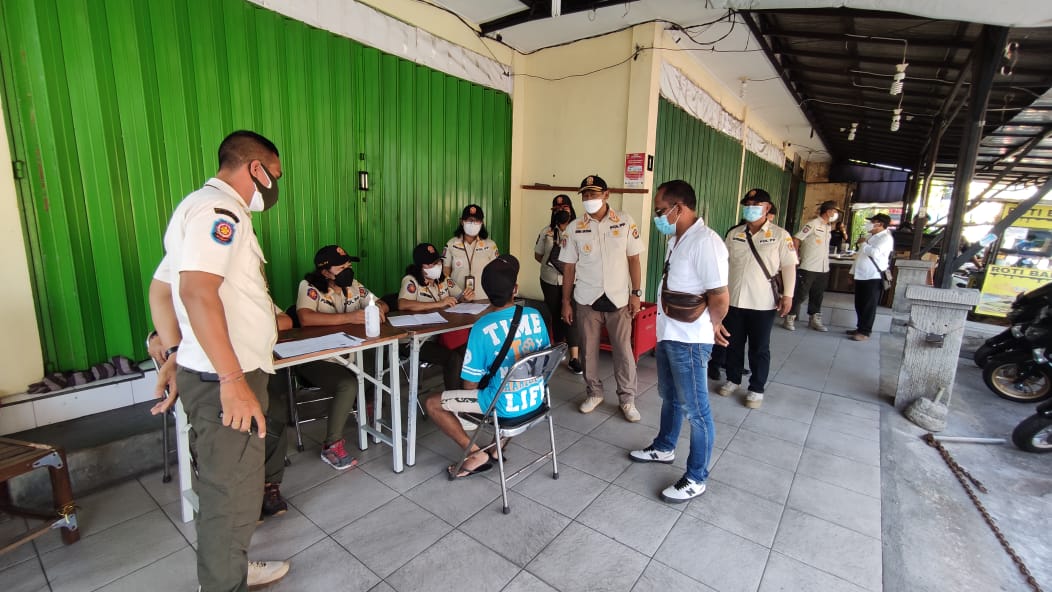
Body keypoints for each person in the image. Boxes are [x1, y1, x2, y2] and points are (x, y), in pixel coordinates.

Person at [153, 130, 290, 591]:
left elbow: (161, 290)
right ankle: (222, 583)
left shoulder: (192, 207)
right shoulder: (221, 210)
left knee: (234, 487)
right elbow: (193, 291)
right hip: (225, 377)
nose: (273, 186)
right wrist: (232, 379)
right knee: (231, 494)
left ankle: (231, 567)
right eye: (273, 175)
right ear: (255, 167)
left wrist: (174, 353)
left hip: (214, 369)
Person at [147, 269, 293, 523]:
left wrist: (253, 325)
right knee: (227, 437)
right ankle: (234, 507)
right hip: (214, 385)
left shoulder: (246, 290)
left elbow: (285, 321)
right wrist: (163, 341)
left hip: (250, 374)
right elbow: (164, 330)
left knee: (276, 412)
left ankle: (268, 484)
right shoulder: (197, 287)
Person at [629, 180, 729, 503]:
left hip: (690, 340)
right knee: (670, 396)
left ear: (679, 209)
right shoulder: (678, 239)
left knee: (697, 410)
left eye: (660, 210)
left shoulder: (706, 243)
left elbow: (720, 296)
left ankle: (697, 477)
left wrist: (712, 325)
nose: (658, 217)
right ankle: (664, 447)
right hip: (670, 334)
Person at [423, 255, 551, 478]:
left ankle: (475, 454)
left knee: (433, 403)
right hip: (535, 398)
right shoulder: (535, 315)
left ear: (486, 291)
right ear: (515, 289)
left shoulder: (482, 327)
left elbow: (470, 385)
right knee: (508, 385)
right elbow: (545, 361)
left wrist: (468, 401)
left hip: (505, 405)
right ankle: (496, 447)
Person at [559, 174, 645, 422]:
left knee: (623, 351)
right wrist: (566, 301)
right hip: (586, 298)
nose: (589, 199)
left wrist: (636, 294)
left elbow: (634, 260)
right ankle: (594, 392)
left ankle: (627, 399)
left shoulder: (625, 221)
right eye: (585, 195)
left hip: (619, 299)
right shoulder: (575, 227)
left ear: (606, 195)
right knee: (588, 351)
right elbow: (569, 269)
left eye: (594, 194)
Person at [295, 244, 389, 469]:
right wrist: (350, 318)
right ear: (325, 272)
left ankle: (364, 405)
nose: (348, 269)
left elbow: (380, 303)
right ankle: (331, 446)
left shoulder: (353, 286)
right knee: (347, 384)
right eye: (341, 266)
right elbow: (305, 318)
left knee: (380, 358)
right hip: (317, 357)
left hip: (349, 352)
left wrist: (376, 311)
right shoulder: (309, 286)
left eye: (349, 264)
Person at [718, 188, 796, 409]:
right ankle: (733, 379)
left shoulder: (780, 235)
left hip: (763, 303)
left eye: (756, 204)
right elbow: (724, 264)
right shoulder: (734, 234)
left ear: (767, 207)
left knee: (759, 347)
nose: (750, 208)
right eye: (748, 204)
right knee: (733, 343)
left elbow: (789, 266)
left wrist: (788, 295)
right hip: (734, 300)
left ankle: (756, 388)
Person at [399, 242, 472, 390]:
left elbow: (459, 295)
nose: (436, 266)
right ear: (420, 266)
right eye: (430, 264)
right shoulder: (411, 280)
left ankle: (467, 393)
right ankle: (453, 401)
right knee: (452, 359)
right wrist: (439, 304)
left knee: (468, 351)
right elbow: (403, 304)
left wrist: (466, 297)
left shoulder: (443, 278)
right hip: (414, 340)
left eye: (437, 262)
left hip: (438, 335)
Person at [534, 194, 582, 374]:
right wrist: (555, 265)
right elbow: (538, 255)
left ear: (571, 208)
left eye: (565, 207)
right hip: (549, 280)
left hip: (574, 280)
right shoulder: (546, 231)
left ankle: (574, 358)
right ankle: (559, 348)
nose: (562, 211)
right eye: (558, 208)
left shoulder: (579, 229)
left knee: (571, 315)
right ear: (554, 211)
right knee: (555, 313)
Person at [784, 200, 839, 332]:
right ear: (828, 211)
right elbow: (796, 238)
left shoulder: (828, 227)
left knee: (817, 294)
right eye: (835, 211)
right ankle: (790, 317)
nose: (836, 214)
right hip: (808, 265)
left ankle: (814, 318)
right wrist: (795, 256)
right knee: (800, 293)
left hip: (823, 267)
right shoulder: (813, 224)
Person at [849, 213, 894, 342]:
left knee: (869, 305)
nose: (869, 224)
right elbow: (860, 256)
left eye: (872, 221)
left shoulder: (885, 238)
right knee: (860, 304)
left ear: (879, 224)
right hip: (861, 275)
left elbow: (874, 253)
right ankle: (860, 327)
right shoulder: (870, 236)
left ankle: (865, 331)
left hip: (873, 276)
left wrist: (863, 244)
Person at [443, 204, 499, 301]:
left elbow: (496, 273)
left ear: (482, 223)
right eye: (469, 220)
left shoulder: (490, 245)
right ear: (462, 221)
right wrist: (456, 294)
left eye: (476, 220)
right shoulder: (452, 244)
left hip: (484, 298)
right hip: (458, 299)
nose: (473, 223)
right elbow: (445, 273)